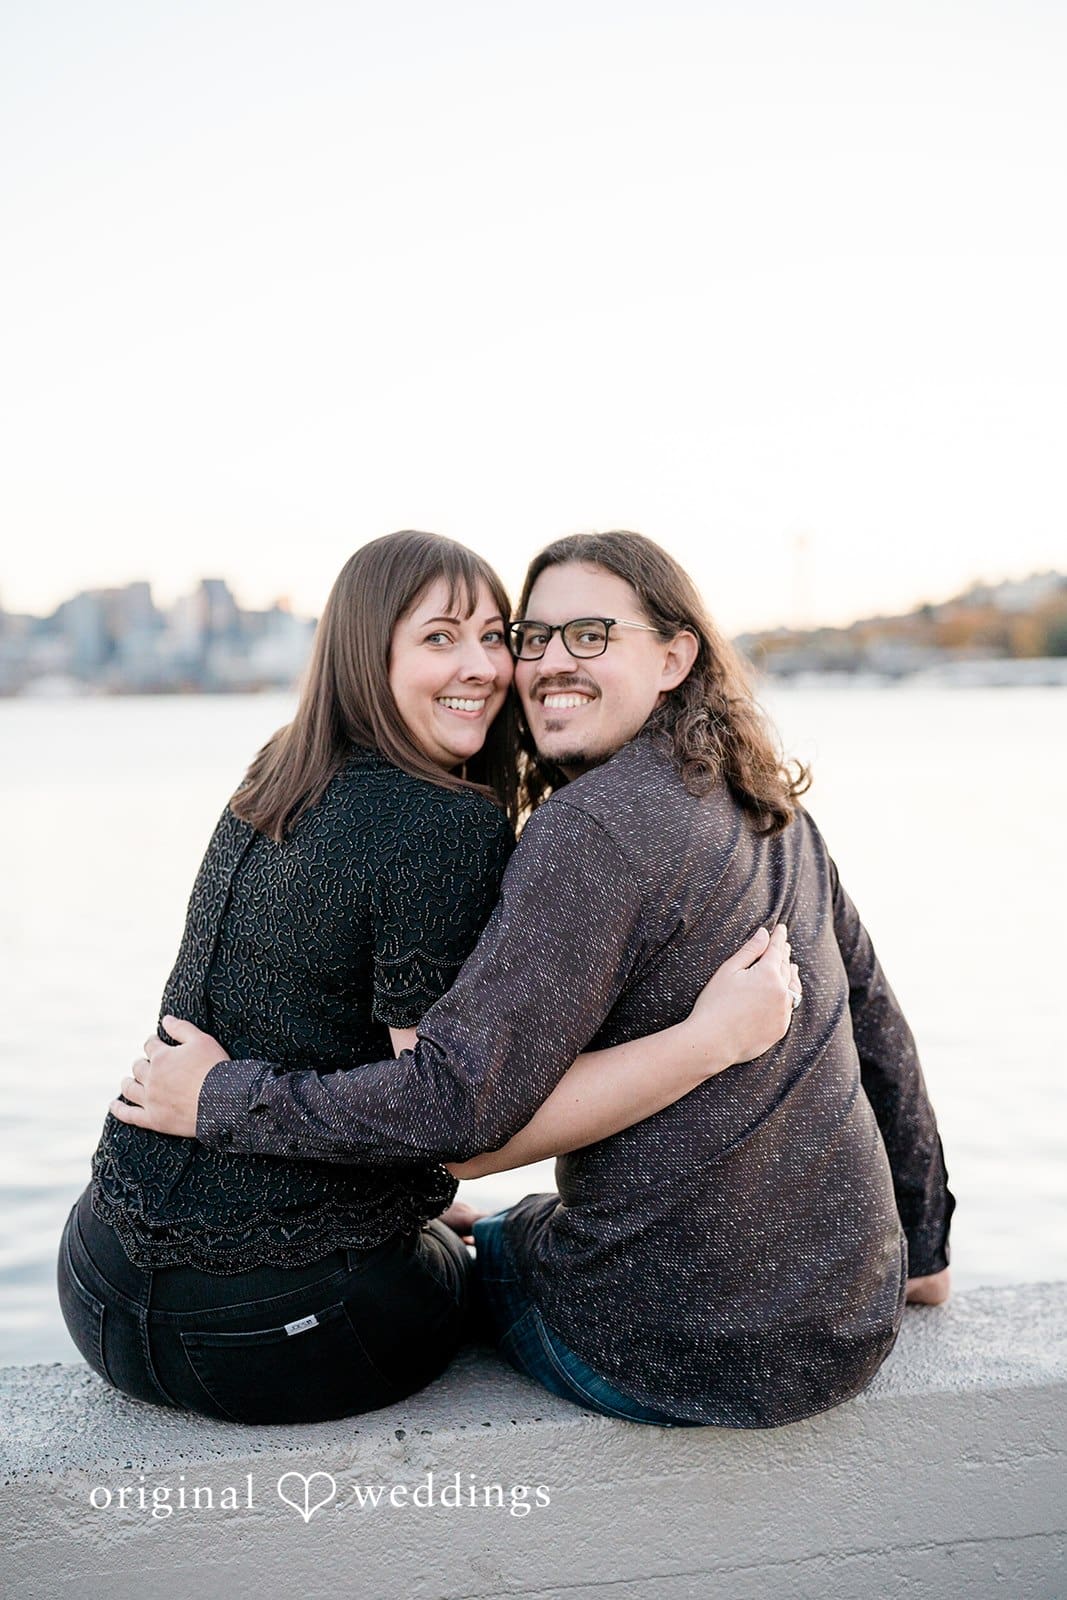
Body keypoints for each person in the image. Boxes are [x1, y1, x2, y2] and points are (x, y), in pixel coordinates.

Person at [114, 529, 952, 1429]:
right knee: (489, 1223)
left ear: (674, 657)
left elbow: (462, 1128)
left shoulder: (583, 830)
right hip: (843, 1322)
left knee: (484, 1244)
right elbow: (876, 1022)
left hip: (657, 1347)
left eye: (590, 635)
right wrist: (924, 1245)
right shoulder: (763, 800)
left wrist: (223, 1096)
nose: (548, 662)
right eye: (534, 637)